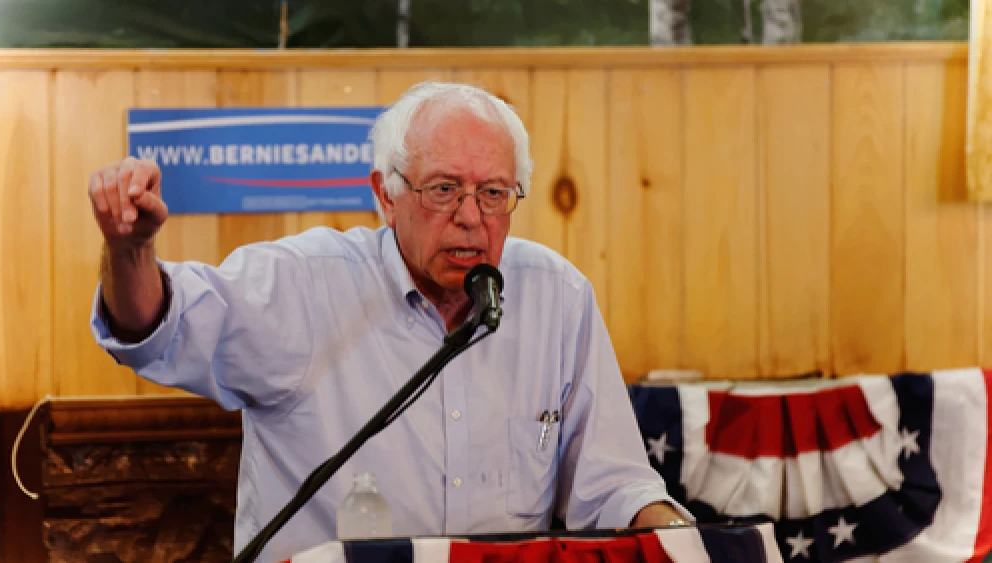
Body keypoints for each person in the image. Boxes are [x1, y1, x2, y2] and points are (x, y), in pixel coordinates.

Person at [88, 81, 692, 562]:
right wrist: (129, 251)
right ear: (386, 194)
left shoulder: (557, 298)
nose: (470, 218)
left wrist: (685, 541)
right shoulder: (304, 284)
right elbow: (156, 328)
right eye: (443, 189)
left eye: (493, 194)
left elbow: (612, 484)